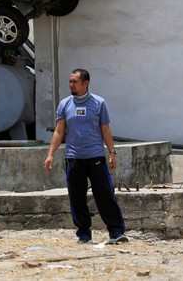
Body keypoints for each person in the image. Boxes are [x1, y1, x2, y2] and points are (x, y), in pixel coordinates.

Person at [44, 68, 128, 244]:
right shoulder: (65, 104)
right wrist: (50, 154)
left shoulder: (98, 103)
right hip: (74, 158)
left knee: (104, 194)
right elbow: (59, 131)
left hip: (95, 156)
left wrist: (112, 152)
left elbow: (105, 129)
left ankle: (116, 232)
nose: (71, 85)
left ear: (85, 83)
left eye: (74, 81)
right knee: (77, 198)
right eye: (70, 81)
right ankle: (84, 234)